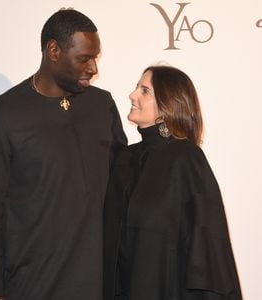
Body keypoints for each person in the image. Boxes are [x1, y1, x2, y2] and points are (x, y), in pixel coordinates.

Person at [0, 8, 127, 300]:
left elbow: (124, 189)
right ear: (53, 50)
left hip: (99, 286)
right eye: (84, 58)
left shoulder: (102, 106)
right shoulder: (4, 114)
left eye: (95, 57)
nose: (93, 68)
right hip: (30, 287)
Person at [104, 65, 242, 300]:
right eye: (137, 87)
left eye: (144, 90)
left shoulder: (186, 159)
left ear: (168, 104)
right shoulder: (124, 159)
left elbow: (206, 249)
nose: (132, 95)